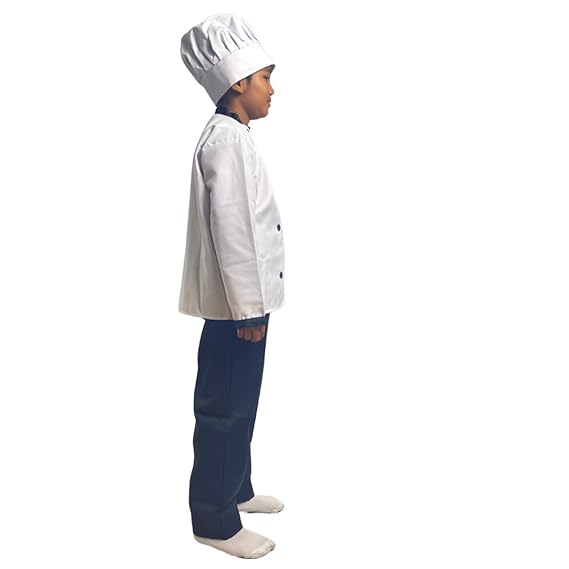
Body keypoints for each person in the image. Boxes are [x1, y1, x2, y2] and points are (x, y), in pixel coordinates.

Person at [178, 13, 286, 560]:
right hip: (236, 312)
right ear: (238, 83)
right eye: (266, 78)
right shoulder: (225, 142)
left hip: (246, 306)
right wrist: (248, 309)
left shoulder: (234, 137)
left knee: (240, 404)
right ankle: (214, 520)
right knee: (223, 410)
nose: (272, 89)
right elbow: (234, 229)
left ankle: (235, 489)